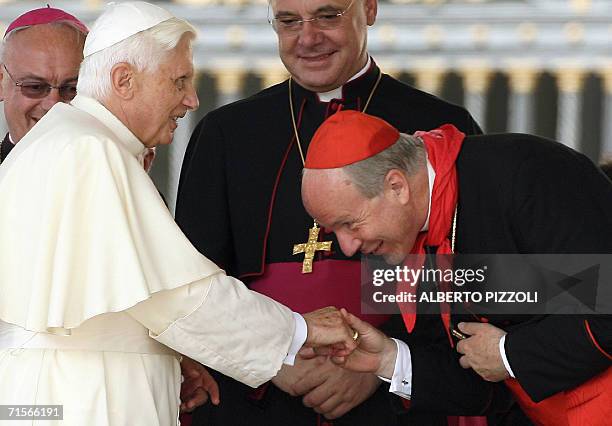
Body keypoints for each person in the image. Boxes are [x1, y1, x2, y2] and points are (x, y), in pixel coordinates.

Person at [0, 3, 359, 425]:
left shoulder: (77, 142)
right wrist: (300, 332)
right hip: (82, 397)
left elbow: (129, 294)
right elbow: (179, 297)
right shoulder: (90, 150)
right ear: (124, 81)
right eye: (179, 81)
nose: (191, 99)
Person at [176, 0, 480, 424]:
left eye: (328, 15)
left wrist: (382, 361)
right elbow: (191, 280)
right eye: (288, 21)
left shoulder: (440, 125)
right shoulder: (225, 132)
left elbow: (471, 275)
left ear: (369, 10)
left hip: (392, 398)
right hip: (254, 393)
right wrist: (273, 352)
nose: (308, 37)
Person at [300, 110, 612, 425]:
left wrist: (508, 354)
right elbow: (482, 382)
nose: (347, 247)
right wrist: (388, 359)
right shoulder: (400, 241)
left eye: (349, 224)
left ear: (397, 186)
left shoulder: (528, 173)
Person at [0, 6, 87, 164]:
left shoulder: (107, 171)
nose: (53, 105)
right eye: (35, 87)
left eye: (72, 89)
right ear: (1, 82)